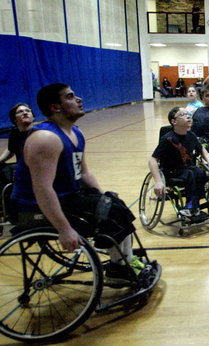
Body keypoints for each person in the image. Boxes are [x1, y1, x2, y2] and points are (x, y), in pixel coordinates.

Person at [11, 83, 144, 282]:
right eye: (71, 96)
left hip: (68, 197)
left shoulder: (76, 133)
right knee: (112, 214)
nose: (79, 99)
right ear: (56, 107)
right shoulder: (45, 139)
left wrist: (104, 197)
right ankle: (119, 267)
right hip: (33, 208)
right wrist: (64, 229)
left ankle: (125, 260)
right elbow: (42, 189)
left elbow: (84, 173)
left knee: (115, 205)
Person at [149, 107, 209, 219]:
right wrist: (158, 181)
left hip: (188, 168)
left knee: (200, 173)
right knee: (191, 175)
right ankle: (191, 205)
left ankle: (196, 204)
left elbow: (201, 149)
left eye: (188, 114)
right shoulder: (168, 139)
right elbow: (152, 160)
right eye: (183, 114)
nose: (188, 116)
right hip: (172, 172)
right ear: (174, 122)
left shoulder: (191, 135)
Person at [0, 104, 35, 186]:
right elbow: (10, 150)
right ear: (15, 119)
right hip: (21, 168)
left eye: (28, 111)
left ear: (33, 117)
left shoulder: (40, 134)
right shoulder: (15, 133)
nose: (25, 113)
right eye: (20, 112)